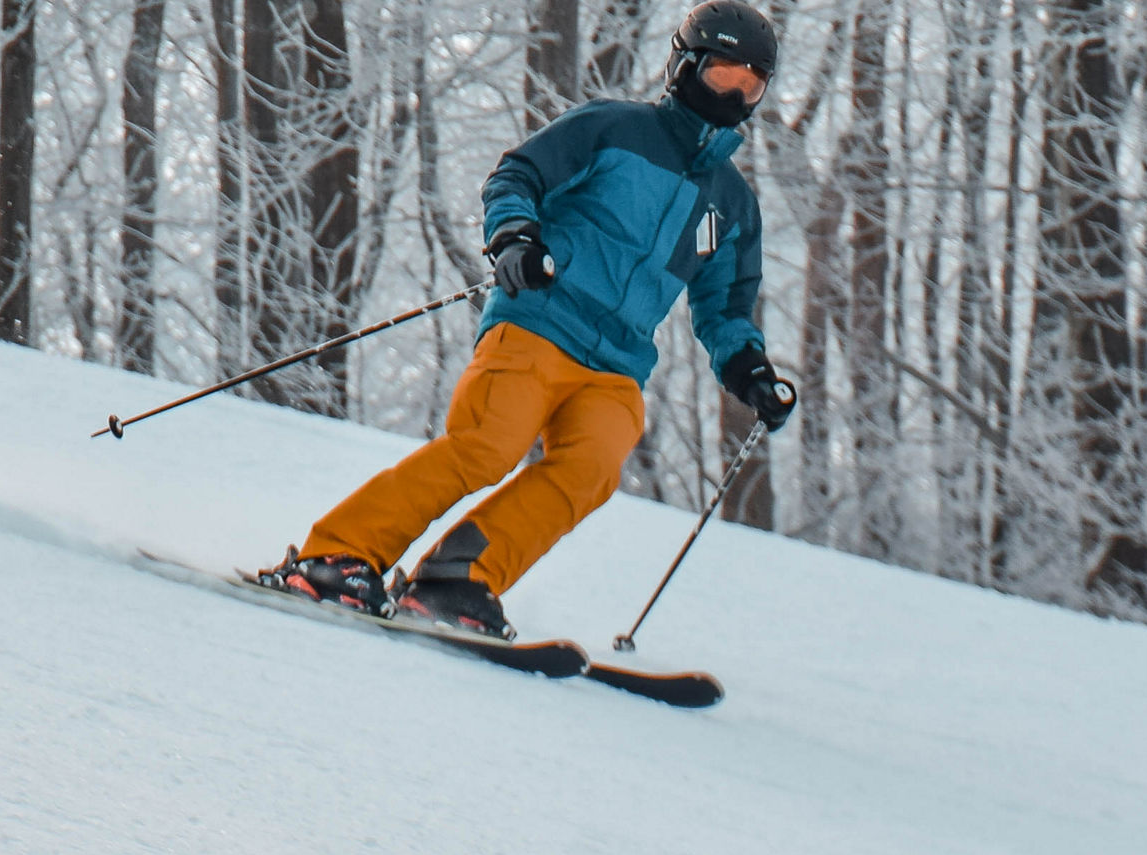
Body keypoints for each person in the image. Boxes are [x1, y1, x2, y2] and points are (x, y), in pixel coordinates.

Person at [265, 0, 799, 638]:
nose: (735, 95)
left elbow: (727, 307)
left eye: (751, 85)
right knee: (487, 446)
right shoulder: (615, 130)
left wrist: (751, 370)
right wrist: (515, 238)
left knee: (592, 468)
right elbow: (518, 175)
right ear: (685, 67)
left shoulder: (732, 204)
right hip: (539, 322)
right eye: (723, 76)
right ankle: (338, 555)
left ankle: (456, 580)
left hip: (616, 367)